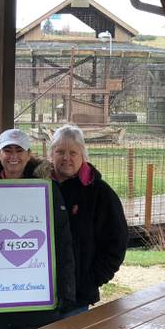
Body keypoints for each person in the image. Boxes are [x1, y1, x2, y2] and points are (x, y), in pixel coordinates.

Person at [0, 128, 76, 329]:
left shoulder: (47, 189)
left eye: (19, 150)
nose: (13, 156)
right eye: (7, 150)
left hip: (36, 300)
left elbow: (62, 241)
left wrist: (65, 291)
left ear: (29, 154)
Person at [49, 125, 128, 316]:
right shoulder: (36, 187)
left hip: (78, 295)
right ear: (51, 154)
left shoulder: (99, 193)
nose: (66, 158)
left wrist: (91, 279)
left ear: (83, 155)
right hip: (39, 293)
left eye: (73, 152)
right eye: (60, 151)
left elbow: (117, 241)